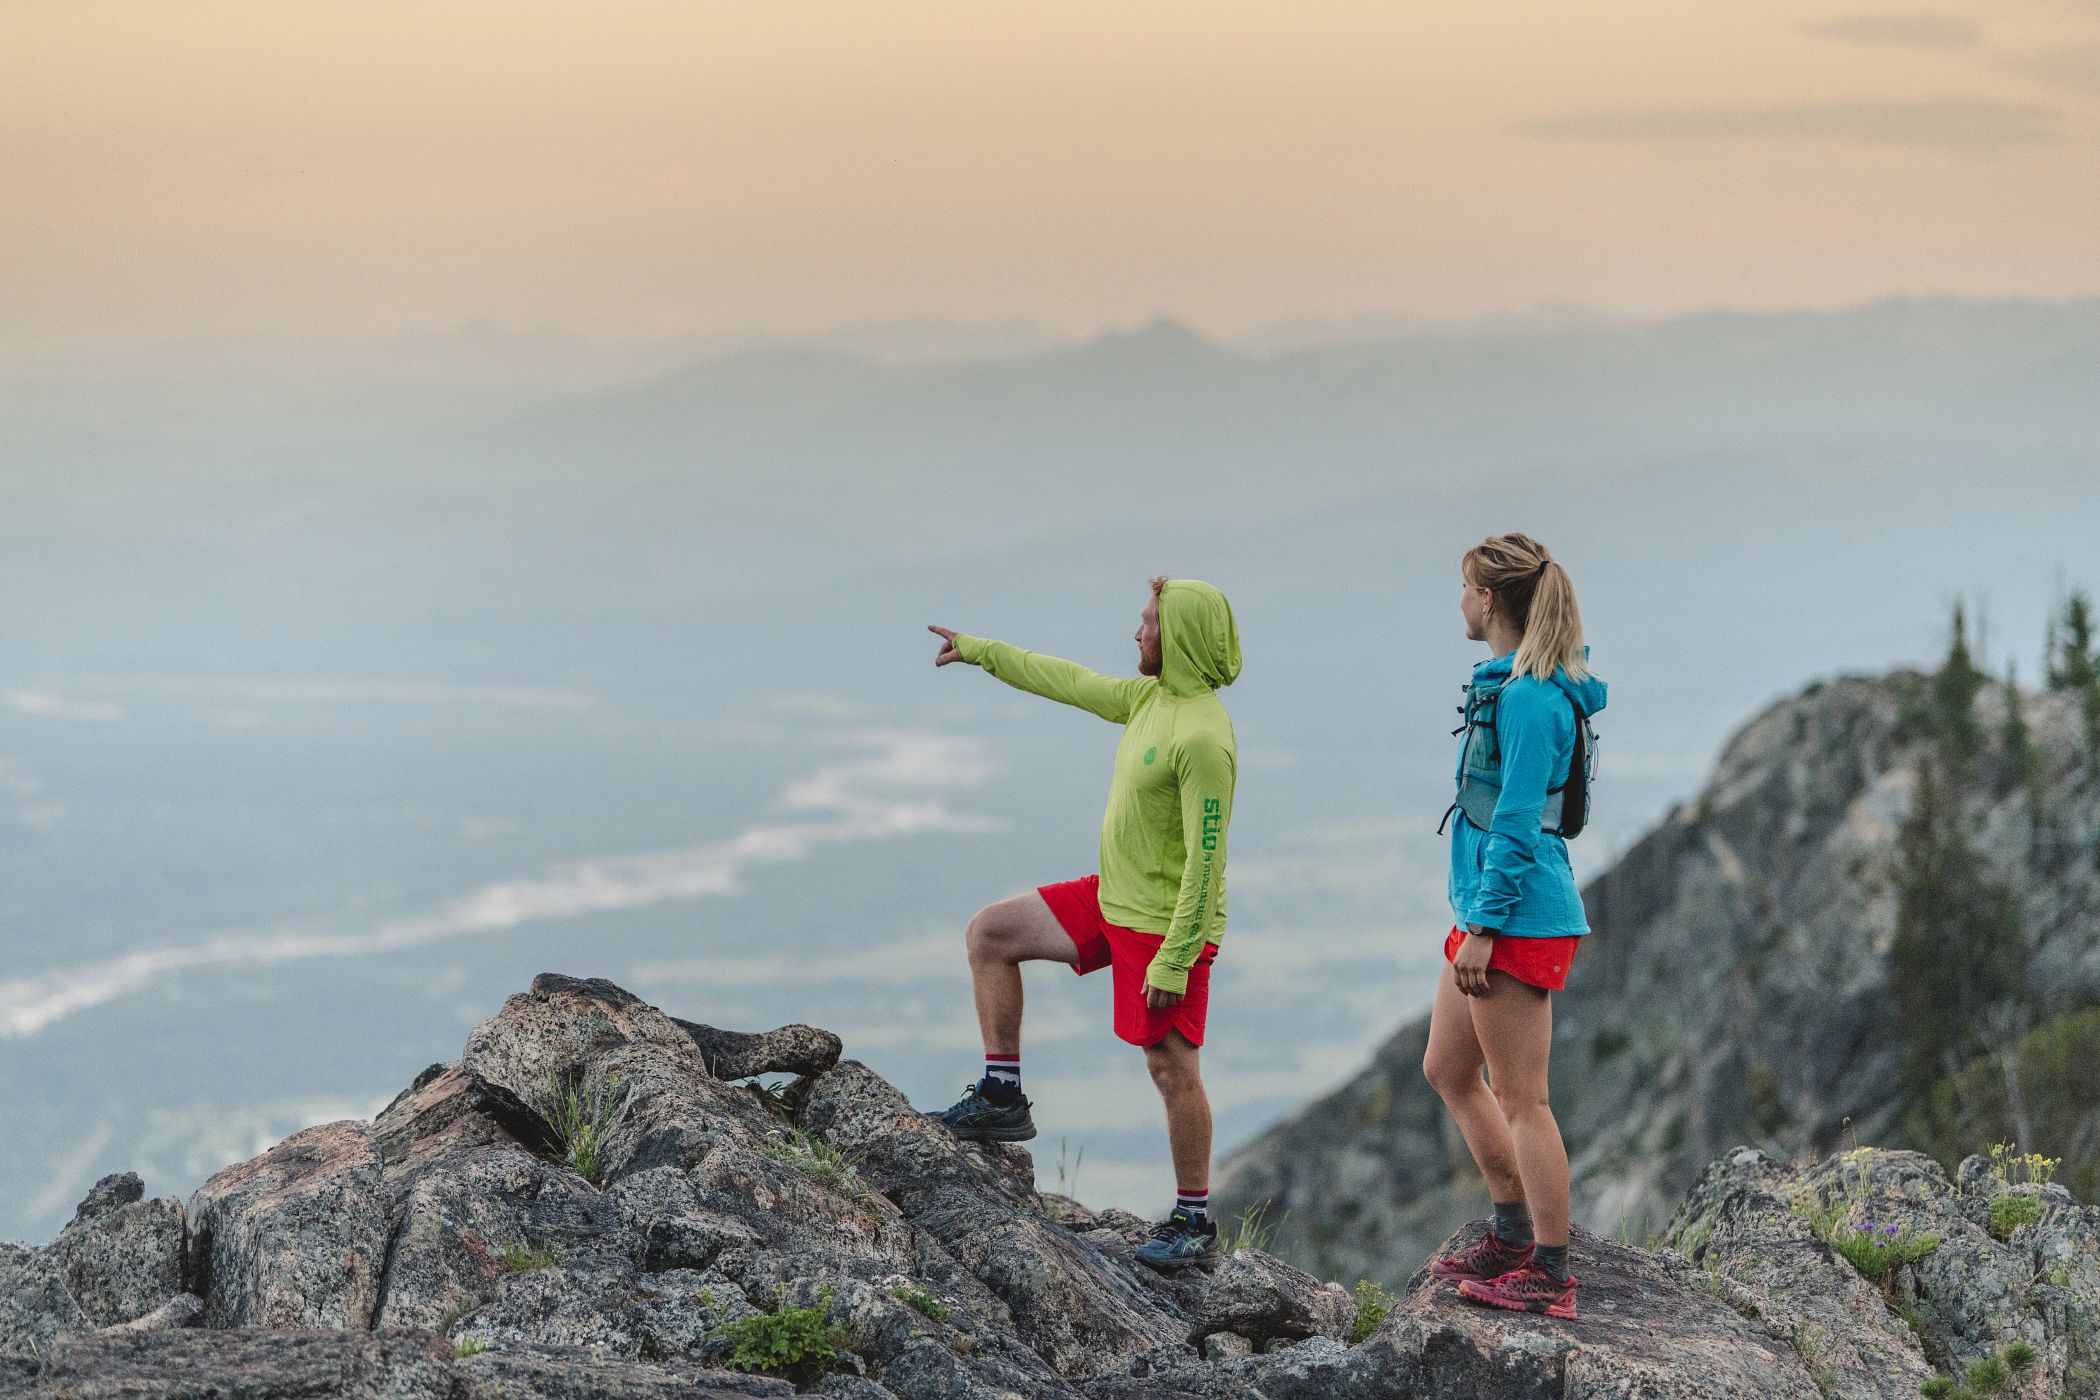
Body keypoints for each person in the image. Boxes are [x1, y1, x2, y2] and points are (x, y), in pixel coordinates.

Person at [920, 576, 1240, 1271]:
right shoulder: (1150, 700)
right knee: (991, 935)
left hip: (1164, 925)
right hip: (1113, 897)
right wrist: (981, 650)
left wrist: (1173, 959)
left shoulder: (1205, 739)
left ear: (1177, 636)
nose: (1137, 632)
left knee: (1170, 1068)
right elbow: (1064, 679)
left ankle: (1194, 1221)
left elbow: (1206, 863)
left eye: (1149, 622)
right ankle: (1003, 1094)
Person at [1422, 532, 1606, 1319]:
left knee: (1523, 1097)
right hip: (1486, 910)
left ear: (1490, 599)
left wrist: (1487, 928)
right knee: (1446, 1067)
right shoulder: (1513, 681)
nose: (1459, 602)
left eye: (1466, 588)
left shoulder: (1530, 698)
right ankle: (1509, 1232)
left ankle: (1550, 1273)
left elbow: (1522, 819)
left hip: (1516, 916)